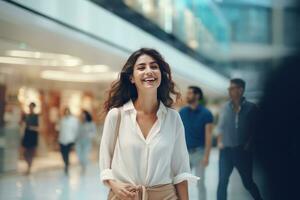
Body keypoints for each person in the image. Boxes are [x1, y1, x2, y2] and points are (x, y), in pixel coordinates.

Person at [99, 48, 198, 200]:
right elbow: (105, 161)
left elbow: (181, 171)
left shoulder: (173, 118)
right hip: (124, 196)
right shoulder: (116, 116)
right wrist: (114, 185)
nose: (148, 71)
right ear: (132, 78)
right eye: (141, 67)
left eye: (154, 66)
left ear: (161, 75)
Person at [216, 78, 263, 200]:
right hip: (226, 151)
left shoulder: (252, 108)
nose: (229, 91)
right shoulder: (224, 107)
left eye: (232, 88)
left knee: (248, 182)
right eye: (229, 88)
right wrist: (220, 142)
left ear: (240, 90)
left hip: (243, 151)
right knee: (222, 181)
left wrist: (250, 144)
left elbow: (258, 129)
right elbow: (220, 127)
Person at [179, 86, 213, 200]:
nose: (187, 95)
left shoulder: (206, 113)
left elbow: (208, 136)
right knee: (182, 183)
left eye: (190, 93)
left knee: (200, 183)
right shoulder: (182, 112)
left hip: (199, 153)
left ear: (197, 95)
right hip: (184, 154)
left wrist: (207, 156)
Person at [59, 107, 79, 175]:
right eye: (65, 112)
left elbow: (76, 130)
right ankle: (66, 163)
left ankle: (66, 165)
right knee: (62, 153)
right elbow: (60, 130)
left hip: (69, 140)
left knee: (67, 153)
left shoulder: (74, 120)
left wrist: (75, 139)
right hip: (62, 140)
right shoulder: (62, 120)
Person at [75, 110, 97, 174]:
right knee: (79, 155)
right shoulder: (79, 123)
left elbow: (93, 132)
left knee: (84, 155)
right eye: (81, 115)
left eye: (83, 115)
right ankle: (82, 165)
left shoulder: (91, 123)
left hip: (87, 142)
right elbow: (76, 132)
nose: (82, 116)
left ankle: (83, 167)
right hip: (79, 141)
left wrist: (89, 135)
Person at [21, 102, 39, 175]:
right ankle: (28, 165)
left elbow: (38, 128)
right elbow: (23, 125)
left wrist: (31, 127)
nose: (31, 108)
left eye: (32, 107)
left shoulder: (36, 116)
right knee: (25, 153)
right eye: (30, 107)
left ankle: (29, 168)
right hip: (26, 135)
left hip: (33, 135)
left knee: (31, 152)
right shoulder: (26, 116)